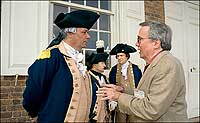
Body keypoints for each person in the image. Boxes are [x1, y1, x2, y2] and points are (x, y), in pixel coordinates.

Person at [97, 21, 189, 122]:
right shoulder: (154, 63)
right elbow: (144, 94)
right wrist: (122, 90)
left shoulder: (168, 65)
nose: (136, 44)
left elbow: (151, 109)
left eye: (139, 39)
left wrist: (118, 96)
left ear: (156, 43)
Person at [22, 10, 100, 122]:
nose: (88, 36)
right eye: (84, 32)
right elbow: (33, 90)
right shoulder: (51, 56)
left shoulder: (77, 58)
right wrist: (36, 113)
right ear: (70, 33)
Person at [109, 43, 142, 122]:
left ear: (127, 56)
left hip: (133, 100)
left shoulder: (135, 68)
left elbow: (140, 84)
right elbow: (112, 85)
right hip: (120, 100)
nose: (119, 58)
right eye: (118, 56)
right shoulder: (114, 70)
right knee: (120, 119)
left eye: (121, 55)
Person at [85, 49, 110, 122]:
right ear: (94, 64)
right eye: (102, 63)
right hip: (92, 116)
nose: (105, 65)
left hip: (105, 115)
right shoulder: (87, 77)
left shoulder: (105, 78)